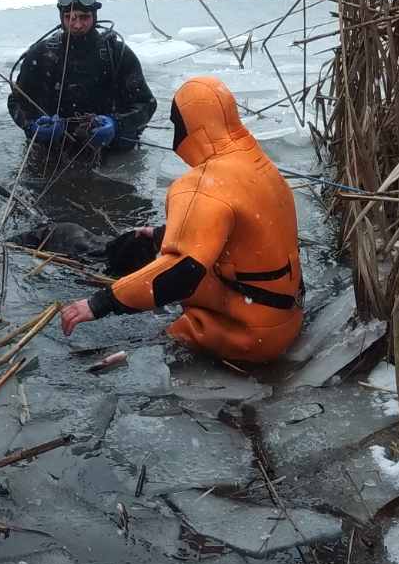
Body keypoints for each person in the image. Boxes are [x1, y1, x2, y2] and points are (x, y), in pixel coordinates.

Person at [59, 75, 303, 363]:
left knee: (158, 267)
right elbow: (246, 236)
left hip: (248, 337)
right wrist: (163, 236)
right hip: (288, 317)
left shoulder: (202, 184)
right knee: (150, 246)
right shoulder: (258, 164)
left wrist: (101, 302)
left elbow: (181, 272)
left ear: (189, 125)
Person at [7, 0, 156, 154]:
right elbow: (16, 101)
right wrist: (32, 126)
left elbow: (147, 104)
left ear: (94, 16)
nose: (77, 25)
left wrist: (116, 124)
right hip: (53, 148)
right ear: (62, 18)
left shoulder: (116, 53)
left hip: (108, 149)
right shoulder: (42, 54)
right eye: (70, 17)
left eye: (84, 17)